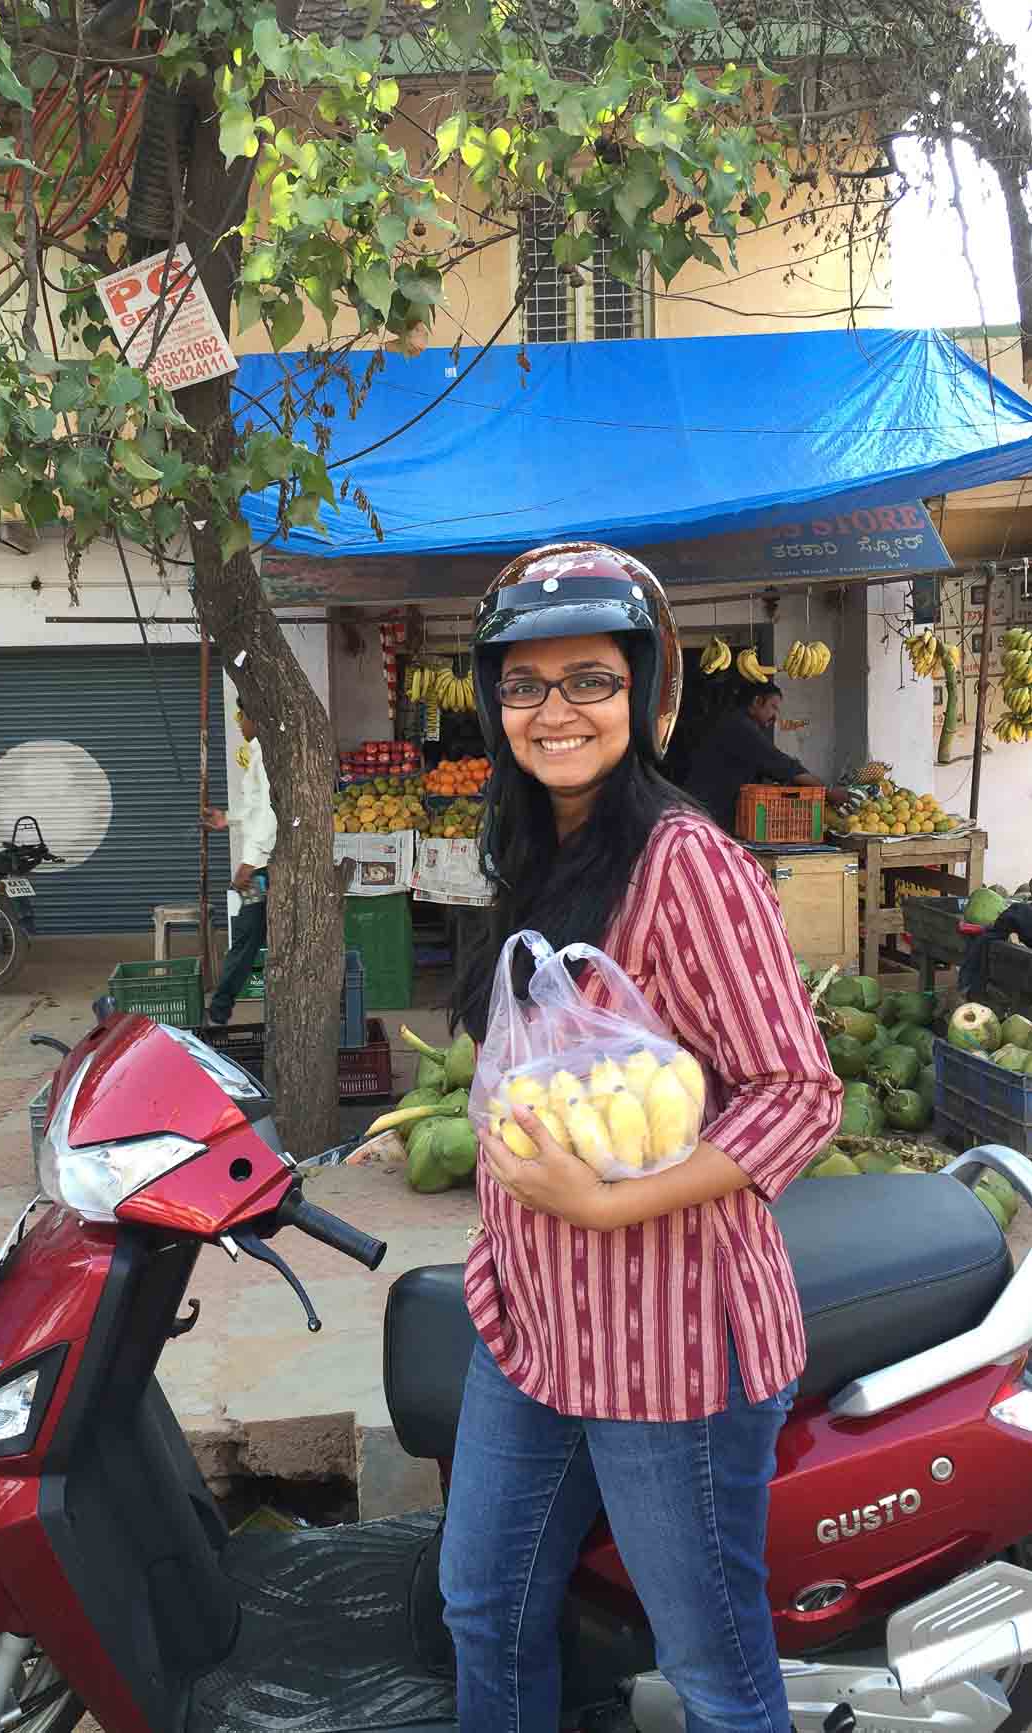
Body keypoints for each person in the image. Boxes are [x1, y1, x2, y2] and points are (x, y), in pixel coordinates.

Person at [441, 543, 842, 1733]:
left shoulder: (687, 861)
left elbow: (797, 1089)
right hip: (533, 1318)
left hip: (667, 1342)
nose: (554, 710)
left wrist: (605, 1202)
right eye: (525, 683)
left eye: (588, 680)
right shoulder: (540, 845)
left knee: (712, 1671)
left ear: (642, 691)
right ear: (492, 697)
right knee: (484, 1604)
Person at [684, 680, 852, 834]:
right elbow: (783, 765)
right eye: (773, 707)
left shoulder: (733, 721)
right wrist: (828, 792)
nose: (775, 716)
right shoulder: (741, 727)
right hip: (708, 815)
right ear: (757, 702)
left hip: (704, 812)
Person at [201, 708, 277, 1026]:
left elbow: (270, 812)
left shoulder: (266, 756)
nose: (240, 726)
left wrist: (250, 861)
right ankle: (221, 1007)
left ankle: (220, 1009)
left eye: (242, 719)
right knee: (251, 934)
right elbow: (254, 809)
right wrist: (227, 818)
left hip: (262, 869)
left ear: (255, 717)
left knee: (247, 933)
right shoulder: (257, 751)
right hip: (258, 865)